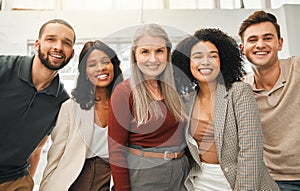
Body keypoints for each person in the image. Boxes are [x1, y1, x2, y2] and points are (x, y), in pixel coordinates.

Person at [172, 28, 280, 190]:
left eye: (213, 56)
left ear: (223, 60)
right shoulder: (187, 100)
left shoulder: (239, 92)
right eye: (197, 57)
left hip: (240, 180)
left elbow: (250, 151)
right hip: (202, 182)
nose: (205, 62)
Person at [108, 23, 189, 191]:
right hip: (144, 174)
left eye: (159, 51)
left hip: (180, 173)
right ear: (135, 55)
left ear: (167, 54)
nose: (153, 58)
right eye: (145, 51)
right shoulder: (124, 92)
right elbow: (116, 151)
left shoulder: (176, 88)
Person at [0, 19, 75, 191]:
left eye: (66, 43)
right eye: (51, 39)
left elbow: (37, 149)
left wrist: (29, 182)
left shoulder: (61, 102)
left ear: (71, 53)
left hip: (16, 181)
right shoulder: (3, 68)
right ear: (37, 44)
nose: (58, 46)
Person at [39, 40, 123, 191]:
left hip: (111, 179)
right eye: (92, 64)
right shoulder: (70, 108)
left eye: (105, 62)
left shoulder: (127, 106)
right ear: (84, 72)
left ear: (114, 65)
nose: (100, 68)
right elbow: (55, 156)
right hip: (74, 180)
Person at [239, 10, 300, 191]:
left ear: (279, 43)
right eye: (252, 40)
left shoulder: (297, 68)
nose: (260, 45)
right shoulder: (241, 90)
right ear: (242, 48)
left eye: (267, 38)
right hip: (275, 182)